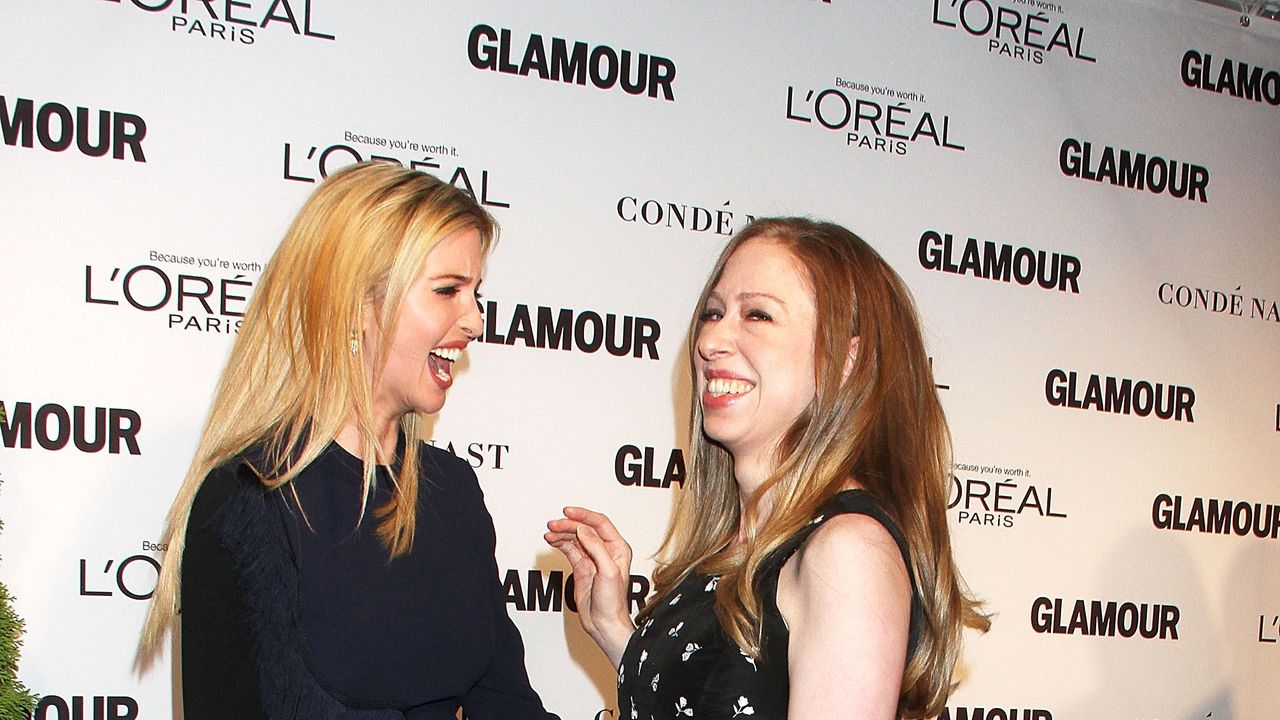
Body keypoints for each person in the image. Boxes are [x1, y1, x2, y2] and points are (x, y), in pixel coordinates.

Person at [137, 162, 559, 720]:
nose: (474, 319)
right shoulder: (250, 498)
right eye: (447, 290)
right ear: (358, 304)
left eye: (475, 293)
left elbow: (508, 707)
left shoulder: (452, 491)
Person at [546, 218, 988, 719]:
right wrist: (612, 627)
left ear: (845, 359)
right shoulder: (736, 546)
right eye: (713, 313)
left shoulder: (846, 551)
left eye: (757, 315)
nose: (711, 340)